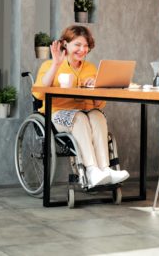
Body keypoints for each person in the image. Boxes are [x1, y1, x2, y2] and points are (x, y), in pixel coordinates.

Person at [33, 25, 129, 188]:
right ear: (66, 44)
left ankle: (105, 169)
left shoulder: (91, 68)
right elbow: (40, 94)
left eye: (85, 46)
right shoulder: (49, 65)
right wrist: (56, 64)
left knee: (97, 115)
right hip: (57, 114)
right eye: (78, 44)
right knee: (80, 117)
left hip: (86, 112)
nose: (82, 49)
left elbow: (99, 104)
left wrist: (96, 87)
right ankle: (91, 170)